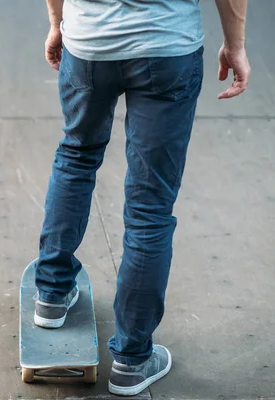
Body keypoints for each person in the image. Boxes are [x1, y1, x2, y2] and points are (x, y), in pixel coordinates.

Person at [34, 0, 250, 396]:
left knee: (77, 157)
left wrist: (57, 22)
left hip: (89, 43)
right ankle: (132, 361)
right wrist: (235, 44)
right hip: (167, 47)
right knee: (150, 207)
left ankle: (50, 294)